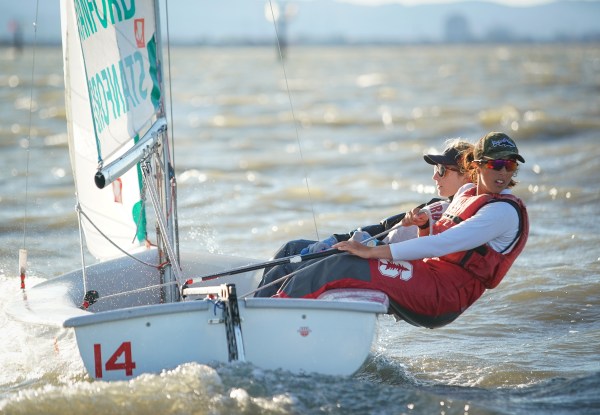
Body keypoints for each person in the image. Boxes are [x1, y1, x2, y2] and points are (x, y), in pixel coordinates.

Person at [257, 132, 529, 329]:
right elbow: (430, 241)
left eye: (510, 165)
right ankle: (264, 316)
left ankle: (264, 324)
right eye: (495, 164)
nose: (503, 172)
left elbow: (440, 246)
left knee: (340, 265)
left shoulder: (502, 212)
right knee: (337, 262)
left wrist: (371, 251)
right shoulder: (467, 193)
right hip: (429, 276)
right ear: (477, 166)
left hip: (443, 296)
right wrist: (423, 226)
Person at [255, 138, 474, 297]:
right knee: (291, 249)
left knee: (286, 270)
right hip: (366, 248)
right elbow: (382, 227)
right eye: (436, 168)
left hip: (380, 262)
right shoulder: (433, 204)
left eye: (443, 170)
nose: (435, 175)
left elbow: (428, 255)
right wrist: (334, 240)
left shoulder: (459, 216)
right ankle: (254, 306)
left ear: (467, 174)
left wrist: (366, 247)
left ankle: (259, 319)